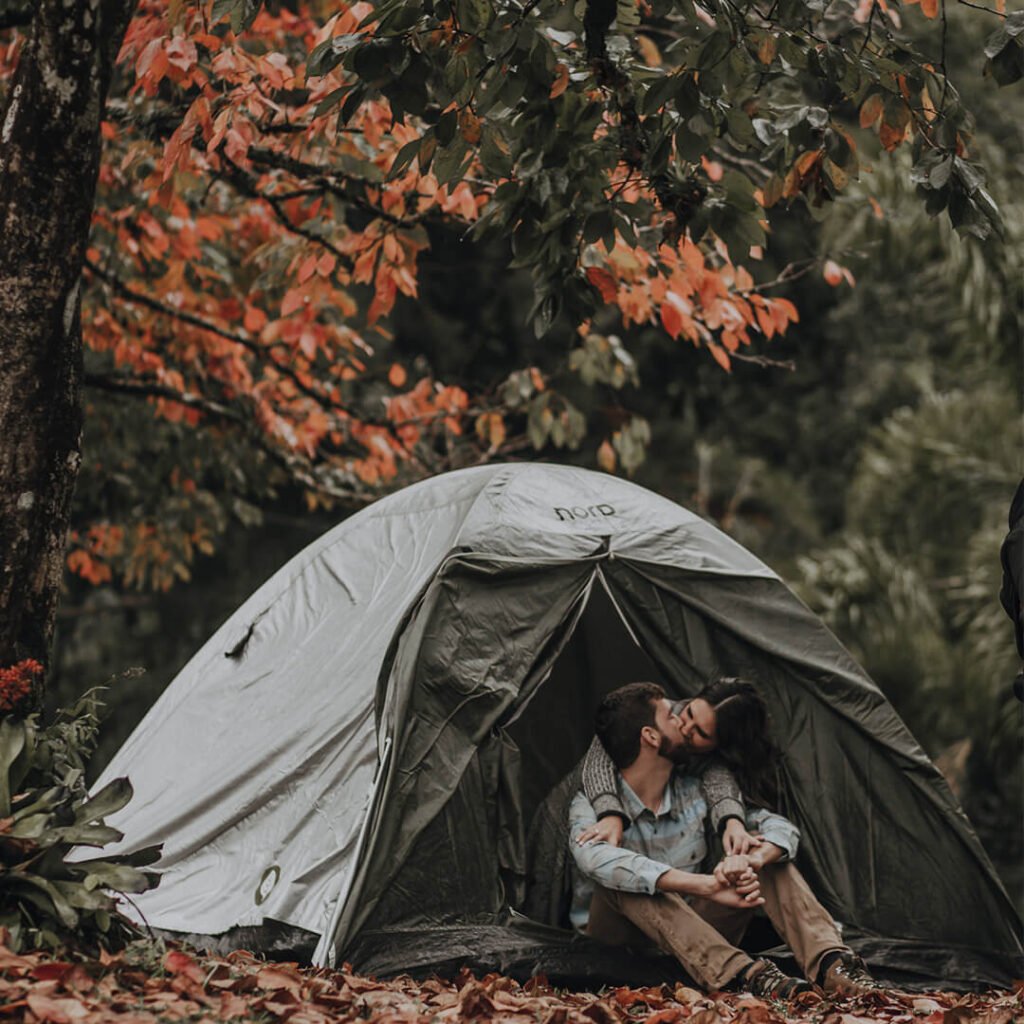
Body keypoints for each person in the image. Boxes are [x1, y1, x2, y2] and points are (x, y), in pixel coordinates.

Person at [568, 681, 881, 999]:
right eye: (674, 716)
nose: (680, 720)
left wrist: (750, 857)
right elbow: (594, 859)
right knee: (625, 879)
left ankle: (834, 965)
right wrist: (703, 885)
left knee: (762, 848)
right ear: (649, 736)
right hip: (619, 953)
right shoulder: (588, 804)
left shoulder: (696, 789)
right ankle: (746, 975)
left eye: (698, 730)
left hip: (693, 945)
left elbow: (778, 827)